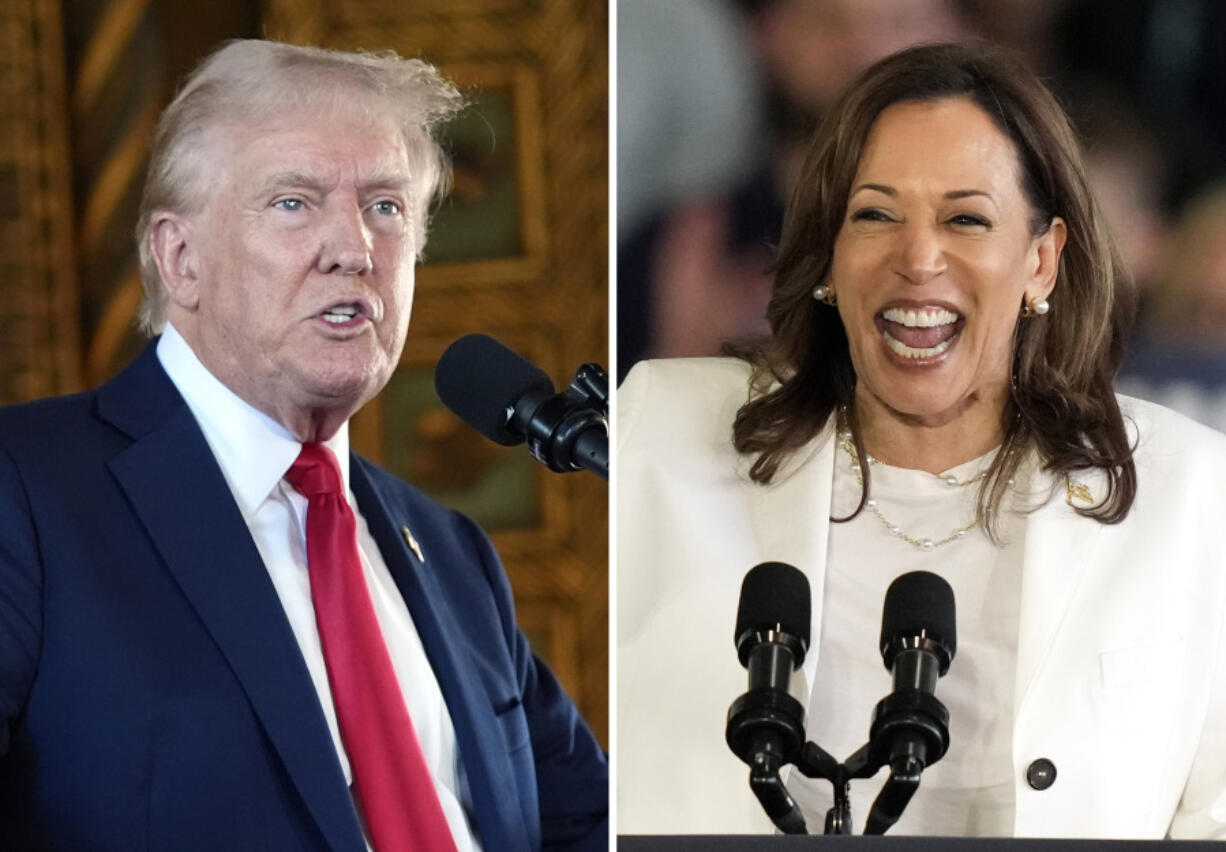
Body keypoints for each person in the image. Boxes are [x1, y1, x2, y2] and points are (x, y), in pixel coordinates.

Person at [0, 40, 607, 851]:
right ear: (179, 259)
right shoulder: (28, 495)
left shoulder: (455, 556)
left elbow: (585, 823)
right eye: (293, 202)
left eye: (386, 207)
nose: (354, 248)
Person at [618, 42, 1226, 838]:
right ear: (829, 256)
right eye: (875, 214)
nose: (918, 258)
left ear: (1042, 261)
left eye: (965, 218)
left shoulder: (1189, 495)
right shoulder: (660, 436)